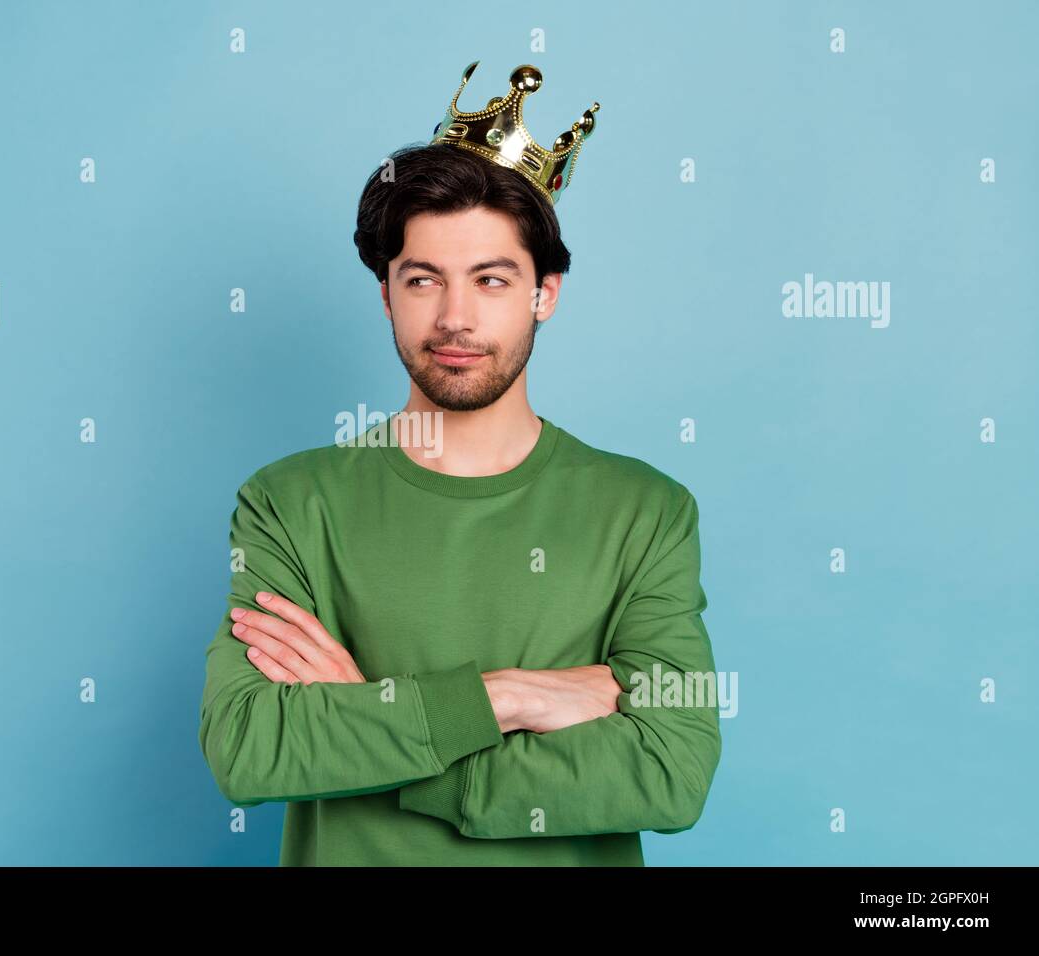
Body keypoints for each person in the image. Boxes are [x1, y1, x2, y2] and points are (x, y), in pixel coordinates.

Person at [198, 62, 721, 866]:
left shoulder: (645, 510)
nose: (454, 318)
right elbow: (249, 749)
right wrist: (507, 697)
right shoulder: (288, 503)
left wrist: (364, 725)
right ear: (386, 294)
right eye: (422, 280)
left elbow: (668, 771)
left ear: (544, 293)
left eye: (490, 279)